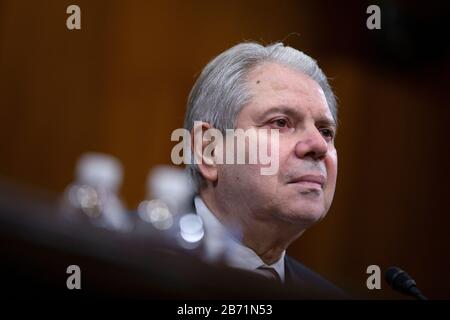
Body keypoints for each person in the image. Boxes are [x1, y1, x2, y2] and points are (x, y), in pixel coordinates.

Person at [182, 41, 345, 298]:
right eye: (281, 123)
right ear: (209, 150)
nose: (318, 146)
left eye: (326, 132)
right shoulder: (124, 265)